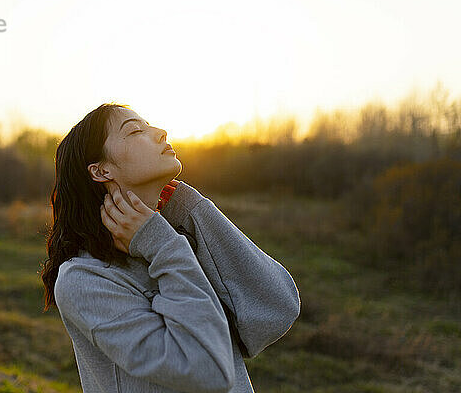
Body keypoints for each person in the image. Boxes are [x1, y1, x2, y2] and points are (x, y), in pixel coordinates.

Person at [40, 103, 301, 393]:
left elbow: (277, 309)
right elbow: (208, 372)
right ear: (101, 170)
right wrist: (161, 245)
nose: (160, 133)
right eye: (136, 130)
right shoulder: (84, 279)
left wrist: (189, 208)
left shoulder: (178, 237)